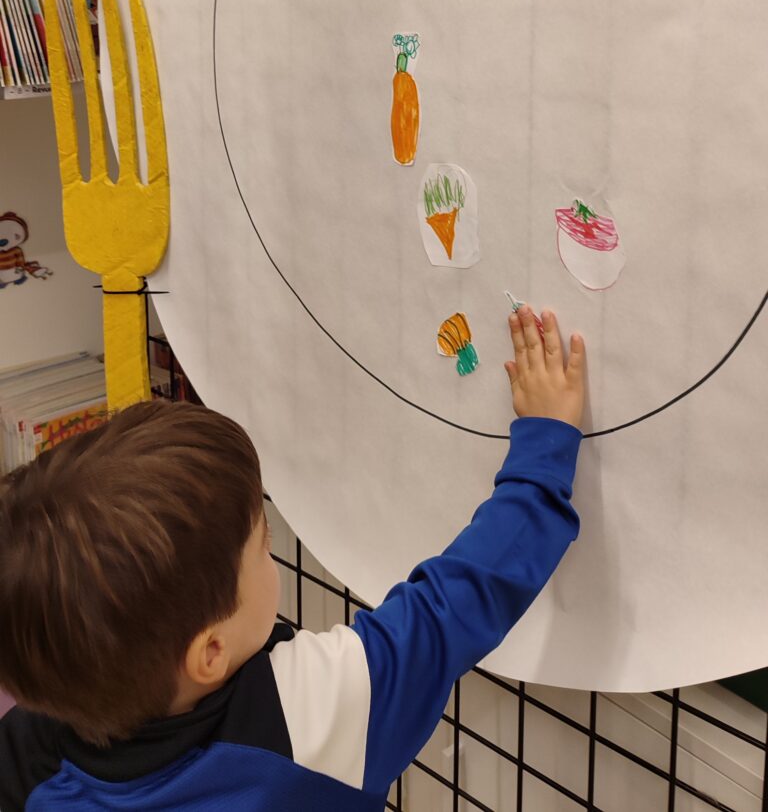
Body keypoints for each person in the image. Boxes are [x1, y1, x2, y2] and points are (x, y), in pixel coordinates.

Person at [0, 305, 585, 811]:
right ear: (210, 652)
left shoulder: (31, 746)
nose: (273, 548)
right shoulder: (306, 715)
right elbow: (456, 604)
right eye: (261, 545)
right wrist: (545, 443)